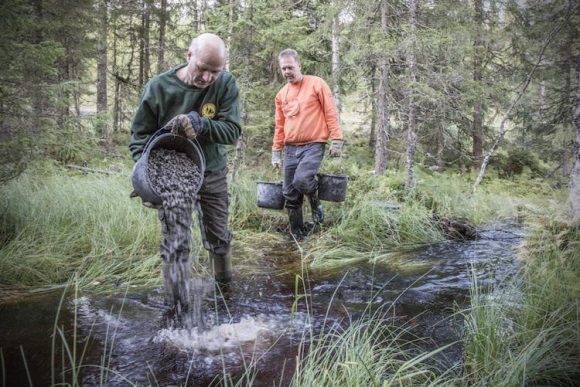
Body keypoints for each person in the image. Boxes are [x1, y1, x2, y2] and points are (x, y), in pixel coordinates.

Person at [129, 33, 241, 283]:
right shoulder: (159, 88)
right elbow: (140, 137)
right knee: (175, 242)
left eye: (215, 71)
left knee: (219, 238)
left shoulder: (225, 84)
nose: (207, 78)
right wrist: (144, 177)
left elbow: (233, 131)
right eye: (202, 69)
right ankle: (176, 305)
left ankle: (223, 295)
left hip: (211, 173)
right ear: (189, 56)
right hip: (170, 179)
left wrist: (201, 125)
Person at [272, 48, 343, 240]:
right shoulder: (281, 95)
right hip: (290, 148)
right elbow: (280, 125)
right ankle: (298, 235)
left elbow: (330, 111)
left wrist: (336, 140)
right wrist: (276, 152)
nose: (287, 71)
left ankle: (315, 201)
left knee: (302, 180)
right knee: (289, 193)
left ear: (299, 65)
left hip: (313, 144)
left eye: (290, 67)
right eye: (283, 68)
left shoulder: (316, 84)